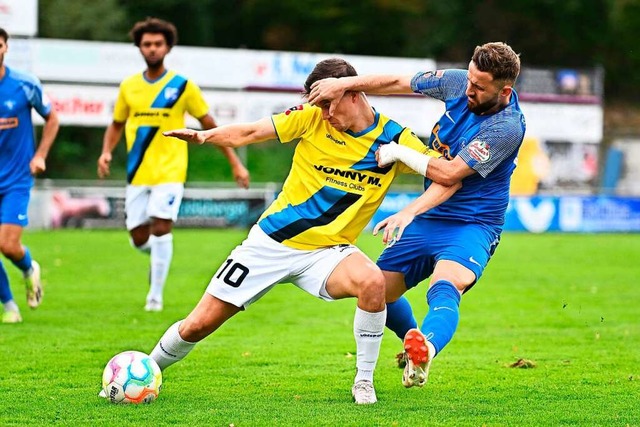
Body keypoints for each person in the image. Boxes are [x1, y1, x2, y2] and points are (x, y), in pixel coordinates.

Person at [140, 58, 459, 405]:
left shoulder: (394, 138)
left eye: (327, 103)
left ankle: (364, 382)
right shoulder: (308, 118)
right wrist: (204, 136)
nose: (323, 113)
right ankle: (144, 372)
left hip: (327, 253)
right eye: (317, 105)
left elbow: (446, 175)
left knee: (372, 282)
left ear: (351, 93)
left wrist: (405, 180)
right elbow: (250, 132)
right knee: (197, 326)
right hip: (271, 243)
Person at [308, 42, 526, 388]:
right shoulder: (457, 82)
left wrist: (399, 154)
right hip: (431, 214)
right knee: (378, 290)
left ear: (504, 90)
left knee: (445, 284)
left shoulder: (507, 127)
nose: (468, 89)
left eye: (479, 87)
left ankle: (427, 346)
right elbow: (398, 81)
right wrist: (346, 85)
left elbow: (451, 174)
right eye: (469, 79)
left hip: (473, 223)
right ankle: (416, 344)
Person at [97, 18, 250, 312]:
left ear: (167, 47)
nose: (152, 49)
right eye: (146, 44)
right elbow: (116, 124)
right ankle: (159, 257)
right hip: (137, 173)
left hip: (170, 172)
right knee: (138, 237)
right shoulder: (129, 87)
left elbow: (209, 126)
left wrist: (235, 163)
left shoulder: (182, 86)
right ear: (139, 48)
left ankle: (154, 297)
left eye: (157, 44)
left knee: (162, 226)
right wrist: (106, 152)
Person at [0, 27, 60, 323]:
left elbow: (52, 118)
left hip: (16, 179)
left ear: (5, 47)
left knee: (7, 245)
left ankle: (28, 269)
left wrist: (40, 155)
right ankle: (10, 307)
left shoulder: (24, 85)